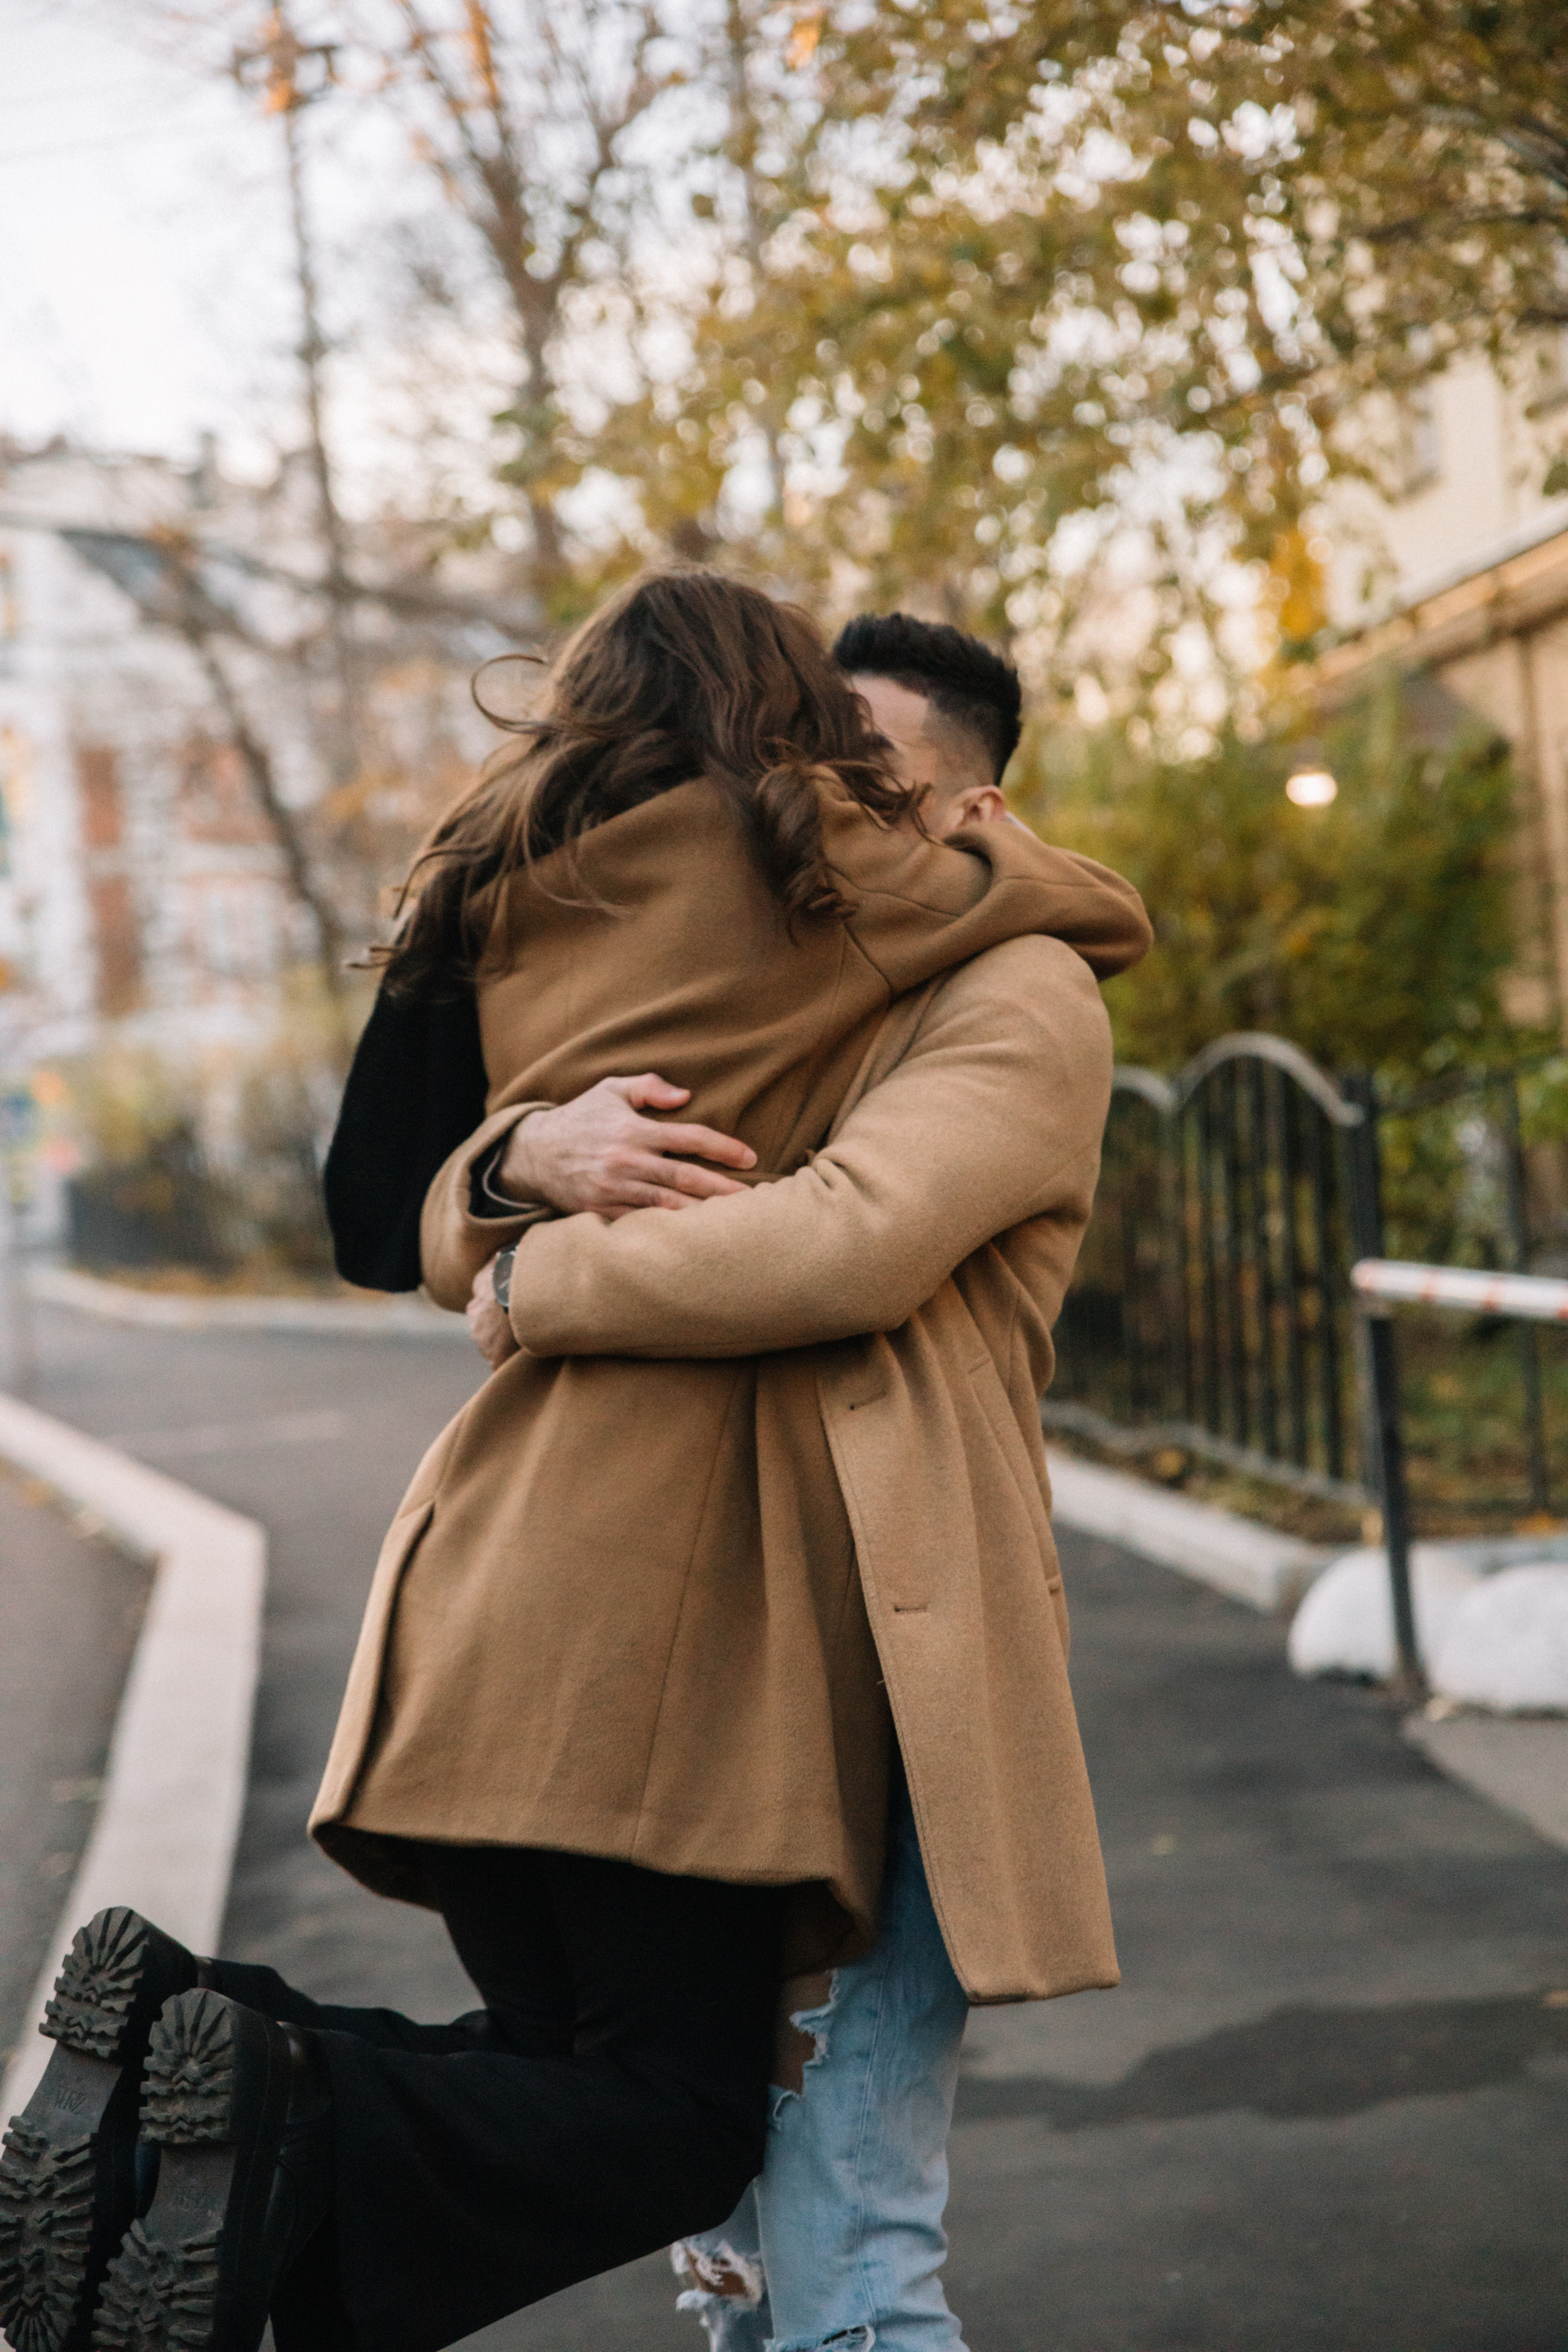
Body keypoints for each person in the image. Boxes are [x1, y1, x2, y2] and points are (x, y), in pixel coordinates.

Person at [0, 575, 1148, 2352]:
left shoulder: (991, 981)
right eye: (807, 761)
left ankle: (206, 2084)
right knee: (751, 2193)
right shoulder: (794, 935)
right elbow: (419, 1214)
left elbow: (844, 1234)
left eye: (870, 778)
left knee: (750, 2194)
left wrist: (530, 1257)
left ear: (973, 810)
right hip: (690, 1640)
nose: (826, 803)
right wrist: (523, 1163)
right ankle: (253, 2116)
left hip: (794, 1642)